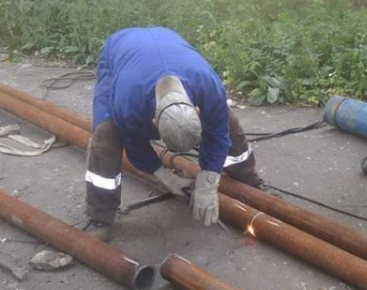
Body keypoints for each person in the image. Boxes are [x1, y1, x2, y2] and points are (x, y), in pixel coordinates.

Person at [84, 27, 265, 241]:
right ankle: (100, 216)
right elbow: (135, 147)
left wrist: (208, 183)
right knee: (106, 134)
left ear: (197, 111)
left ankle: (251, 182)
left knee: (227, 120)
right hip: (120, 50)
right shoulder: (129, 103)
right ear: (153, 122)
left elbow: (218, 135)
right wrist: (165, 176)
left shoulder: (209, 87)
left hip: (169, 43)